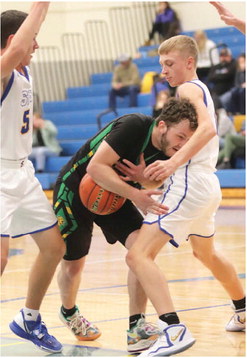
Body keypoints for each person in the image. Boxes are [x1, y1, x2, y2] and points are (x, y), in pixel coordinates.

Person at [124, 35, 245, 357]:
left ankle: (173, 330)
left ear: (189, 62)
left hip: (191, 181)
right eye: (162, 64)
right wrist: (155, 173)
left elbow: (208, 129)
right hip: (205, 183)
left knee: (137, 255)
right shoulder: (199, 89)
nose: (164, 71)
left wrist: (173, 163)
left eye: (169, 63)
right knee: (206, 254)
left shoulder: (188, 88)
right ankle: (244, 309)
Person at [53, 97, 198, 353]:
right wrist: (136, 194)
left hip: (115, 197)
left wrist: (141, 179)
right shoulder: (134, 126)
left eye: (188, 139)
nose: (183, 144)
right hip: (76, 189)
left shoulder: (169, 153)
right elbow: (96, 168)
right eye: (181, 136)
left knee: (141, 252)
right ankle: (69, 312)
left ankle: (136, 327)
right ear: (162, 126)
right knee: (74, 264)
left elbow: (152, 184)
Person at [1, 3, 65, 353]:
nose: (37, 45)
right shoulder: (3, 71)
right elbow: (15, 50)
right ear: (15, 40)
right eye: (34, 39)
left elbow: (20, 50)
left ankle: (28, 317)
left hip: (23, 172)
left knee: (54, 247)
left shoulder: (25, 71)